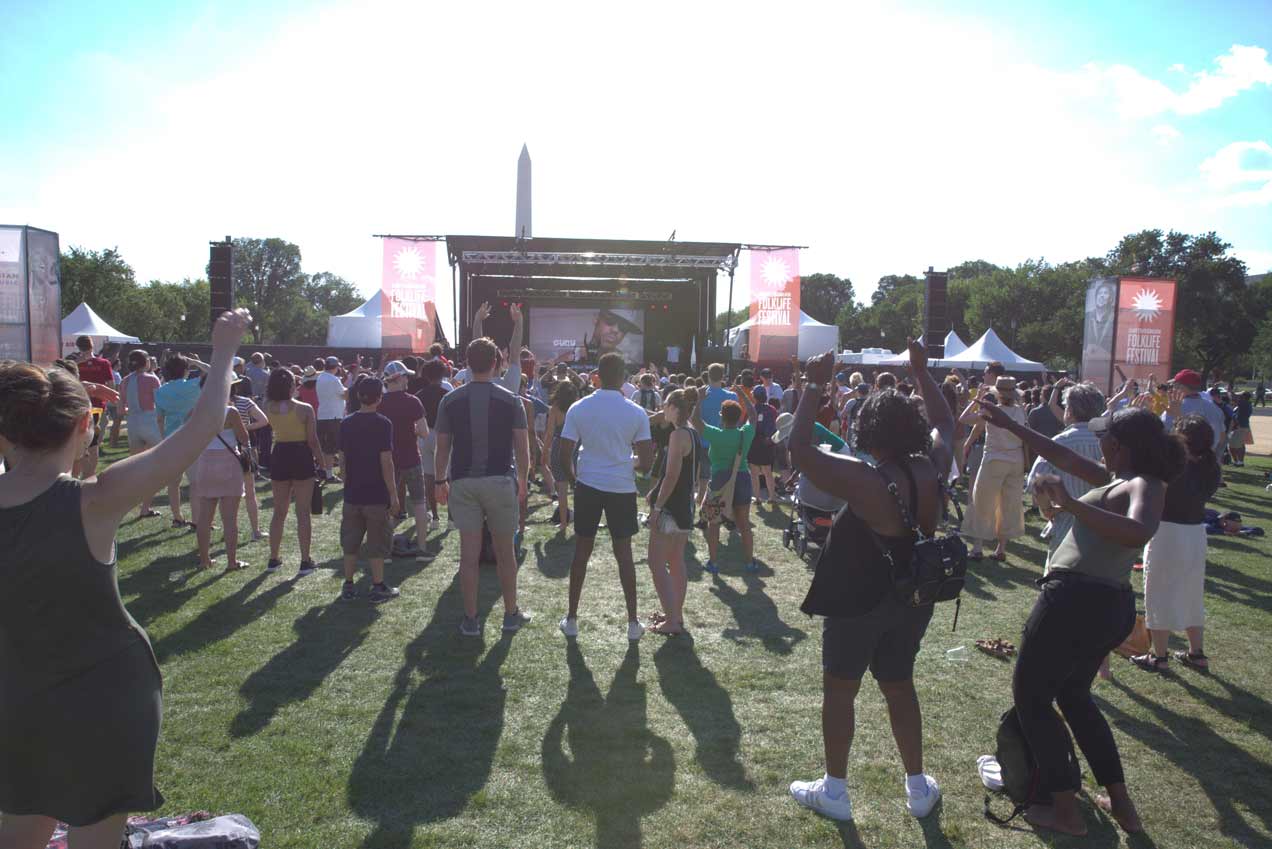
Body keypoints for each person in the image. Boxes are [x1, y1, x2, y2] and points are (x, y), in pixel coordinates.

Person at [0, 309, 252, 849]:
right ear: (84, 425)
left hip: (15, 698)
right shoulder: (95, 500)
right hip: (105, 698)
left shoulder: (88, 498)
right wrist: (225, 346)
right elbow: (205, 423)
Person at [977, 401, 1182, 836]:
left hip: (1075, 601)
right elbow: (1063, 457)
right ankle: (1123, 807)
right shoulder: (1119, 478)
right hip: (1098, 603)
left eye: (1105, 437)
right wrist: (1012, 425)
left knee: (1032, 700)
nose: (1100, 444)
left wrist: (1071, 503)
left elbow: (1139, 530)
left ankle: (1066, 813)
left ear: (1120, 445)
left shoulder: (1145, 484)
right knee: (1074, 697)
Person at [787, 340, 954, 823]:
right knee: (899, 685)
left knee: (841, 691)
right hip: (913, 594)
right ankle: (918, 787)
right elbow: (946, 425)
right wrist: (922, 372)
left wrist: (816, 383)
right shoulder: (932, 467)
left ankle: (835, 791)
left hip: (860, 595)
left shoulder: (866, 478)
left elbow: (798, 449)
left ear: (869, 428)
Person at [433, 335, 532, 637]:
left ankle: (471, 618)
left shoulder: (450, 400)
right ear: (496, 363)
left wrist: (439, 481)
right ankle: (511, 614)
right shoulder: (511, 400)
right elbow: (523, 449)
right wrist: (525, 481)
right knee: (506, 553)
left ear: (466, 363)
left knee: (469, 555)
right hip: (501, 481)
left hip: (463, 483)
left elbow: (442, 448)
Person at [557, 352, 655, 641]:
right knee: (624, 555)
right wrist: (627, 462)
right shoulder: (635, 412)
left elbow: (565, 454)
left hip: (589, 485)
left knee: (581, 553)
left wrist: (576, 480)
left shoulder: (579, 407)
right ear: (624, 377)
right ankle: (633, 623)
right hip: (621, 488)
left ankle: (572, 618)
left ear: (597, 375)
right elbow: (648, 462)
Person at [1132, 414, 1221, 672]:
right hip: (1195, 533)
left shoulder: (1175, 466)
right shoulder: (1211, 466)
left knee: (1159, 592)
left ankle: (1159, 656)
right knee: (1192, 593)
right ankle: (1196, 652)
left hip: (1167, 531)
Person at [1025, 382, 1107, 569]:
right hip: (1105, 527)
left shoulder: (1060, 442)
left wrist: (1047, 510)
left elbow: (1036, 482)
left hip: (1067, 526)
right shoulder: (1110, 440)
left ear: (1069, 410)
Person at [338, 378, 401, 603]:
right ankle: (377, 585)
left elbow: (342, 459)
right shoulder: (383, 423)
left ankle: (348, 585)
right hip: (376, 493)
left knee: (350, 541)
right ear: (379, 398)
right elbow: (386, 461)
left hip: (353, 493)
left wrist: (347, 481)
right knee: (377, 542)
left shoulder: (346, 423)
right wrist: (393, 495)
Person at [645, 388, 699, 635]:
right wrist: (655, 491)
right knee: (676, 561)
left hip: (671, 507)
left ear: (675, 408)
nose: (662, 409)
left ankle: (672, 621)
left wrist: (657, 506)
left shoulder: (678, 435)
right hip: (685, 505)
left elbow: (672, 474)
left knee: (656, 562)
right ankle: (674, 614)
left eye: (665, 405)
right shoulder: (692, 433)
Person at [262, 368, 324, 576]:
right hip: (300, 455)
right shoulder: (305, 409)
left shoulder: (267, 406)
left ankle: (273, 558)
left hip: (279, 454)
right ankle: (305, 561)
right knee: (303, 512)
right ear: (290, 386)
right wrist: (323, 464)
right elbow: (313, 441)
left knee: (279, 512)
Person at [691, 386, 758, 574]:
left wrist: (699, 400)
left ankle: (713, 562)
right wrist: (743, 395)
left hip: (720, 480)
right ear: (738, 417)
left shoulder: (716, 434)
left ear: (721, 416)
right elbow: (753, 415)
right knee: (744, 523)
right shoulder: (745, 433)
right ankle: (749, 562)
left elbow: (695, 420)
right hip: (742, 478)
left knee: (714, 522)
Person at [961, 376, 1026, 561]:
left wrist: (977, 400)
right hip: (1016, 460)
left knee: (982, 502)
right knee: (1009, 503)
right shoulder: (1021, 411)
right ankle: (1001, 549)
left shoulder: (990, 411)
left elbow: (963, 419)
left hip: (994, 460)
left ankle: (978, 548)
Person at [192, 397, 251, 572]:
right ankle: (232, 562)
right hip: (228, 461)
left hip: (206, 461)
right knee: (230, 519)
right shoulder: (231, 412)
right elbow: (243, 437)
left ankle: (204, 560)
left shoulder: (198, 410)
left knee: (204, 517)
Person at [378, 360, 433, 548]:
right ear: (400, 378)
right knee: (419, 503)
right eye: (406, 376)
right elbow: (424, 432)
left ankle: (384, 550)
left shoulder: (379, 402)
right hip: (411, 457)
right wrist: (412, 431)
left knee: (385, 505)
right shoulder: (412, 401)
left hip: (388, 461)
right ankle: (422, 547)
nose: (408, 380)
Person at [154, 355, 204, 529]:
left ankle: (177, 517)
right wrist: (197, 362)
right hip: (192, 438)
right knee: (196, 482)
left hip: (171, 439)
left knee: (173, 483)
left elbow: (160, 419)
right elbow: (219, 374)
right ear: (186, 369)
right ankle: (197, 520)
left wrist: (163, 439)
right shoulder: (193, 385)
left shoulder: (161, 390)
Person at [118, 349, 164, 519]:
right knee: (155, 465)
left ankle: (127, 503)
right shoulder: (152, 378)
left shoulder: (124, 381)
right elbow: (159, 403)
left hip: (133, 422)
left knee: (134, 466)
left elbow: (121, 408)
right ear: (145, 362)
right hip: (149, 421)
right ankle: (145, 507)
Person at [230, 379, 269, 541]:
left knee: (228, 495)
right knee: (250, 492)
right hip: (243, 448)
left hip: (221, 450)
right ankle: (256, 531)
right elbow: (263, 420)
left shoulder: (215, 405)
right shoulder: (245, 402)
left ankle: (230, 530)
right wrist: (245, 428)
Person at [415, 359, 451, 526]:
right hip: (444, 435)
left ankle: (435, 517)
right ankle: (451, 517)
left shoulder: (419, 395)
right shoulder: (447, 394)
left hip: (425, 435)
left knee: (429, 477)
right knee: (448, 476)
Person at [1161, 370, 1226, 456]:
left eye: (1174, 385)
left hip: (1181, 460)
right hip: (1207, 460)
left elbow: (1163, 434)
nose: (1172, 388)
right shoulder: (1214, 408)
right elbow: (1222, 438)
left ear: (1181, 387)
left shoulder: (1175, 406)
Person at [543, 380, 578, 530]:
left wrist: (544, 453)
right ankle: (580, 521)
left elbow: (549, 433)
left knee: (561, 489)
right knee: (578, 487)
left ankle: (563, 523)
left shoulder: (555, 408)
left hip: (559, 447)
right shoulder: (577, 407)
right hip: (576, 447)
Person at [315, 356, 347, 481]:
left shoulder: (321, 377)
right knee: (332, 448)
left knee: (324, 447)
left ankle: (324, 471)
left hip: (322, 415)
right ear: (335, 367)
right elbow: (344, 395)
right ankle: (329, 475)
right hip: (333, 416)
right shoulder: (333, 379)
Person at [747, 385, 779, 505]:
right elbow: (776, 425)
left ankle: (757, 498)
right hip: (767, 442)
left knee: (754, 473)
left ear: (754, 397)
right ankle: (772, 497)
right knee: (768, 472)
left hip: (754, 442)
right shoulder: (772, 409)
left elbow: (748, 426)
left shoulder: (752, 409)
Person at [1229, 391, 1253, 467]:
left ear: (1243, 397)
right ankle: (1238, 461)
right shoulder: (1244, 404)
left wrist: (1229, 390)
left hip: (1240, 427)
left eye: (1240, 396)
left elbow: (1233, 397)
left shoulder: (1244, 403)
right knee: (1239, 445)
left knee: (1235, 445)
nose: (1239, 397)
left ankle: (1239, 462)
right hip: (1241, 426)